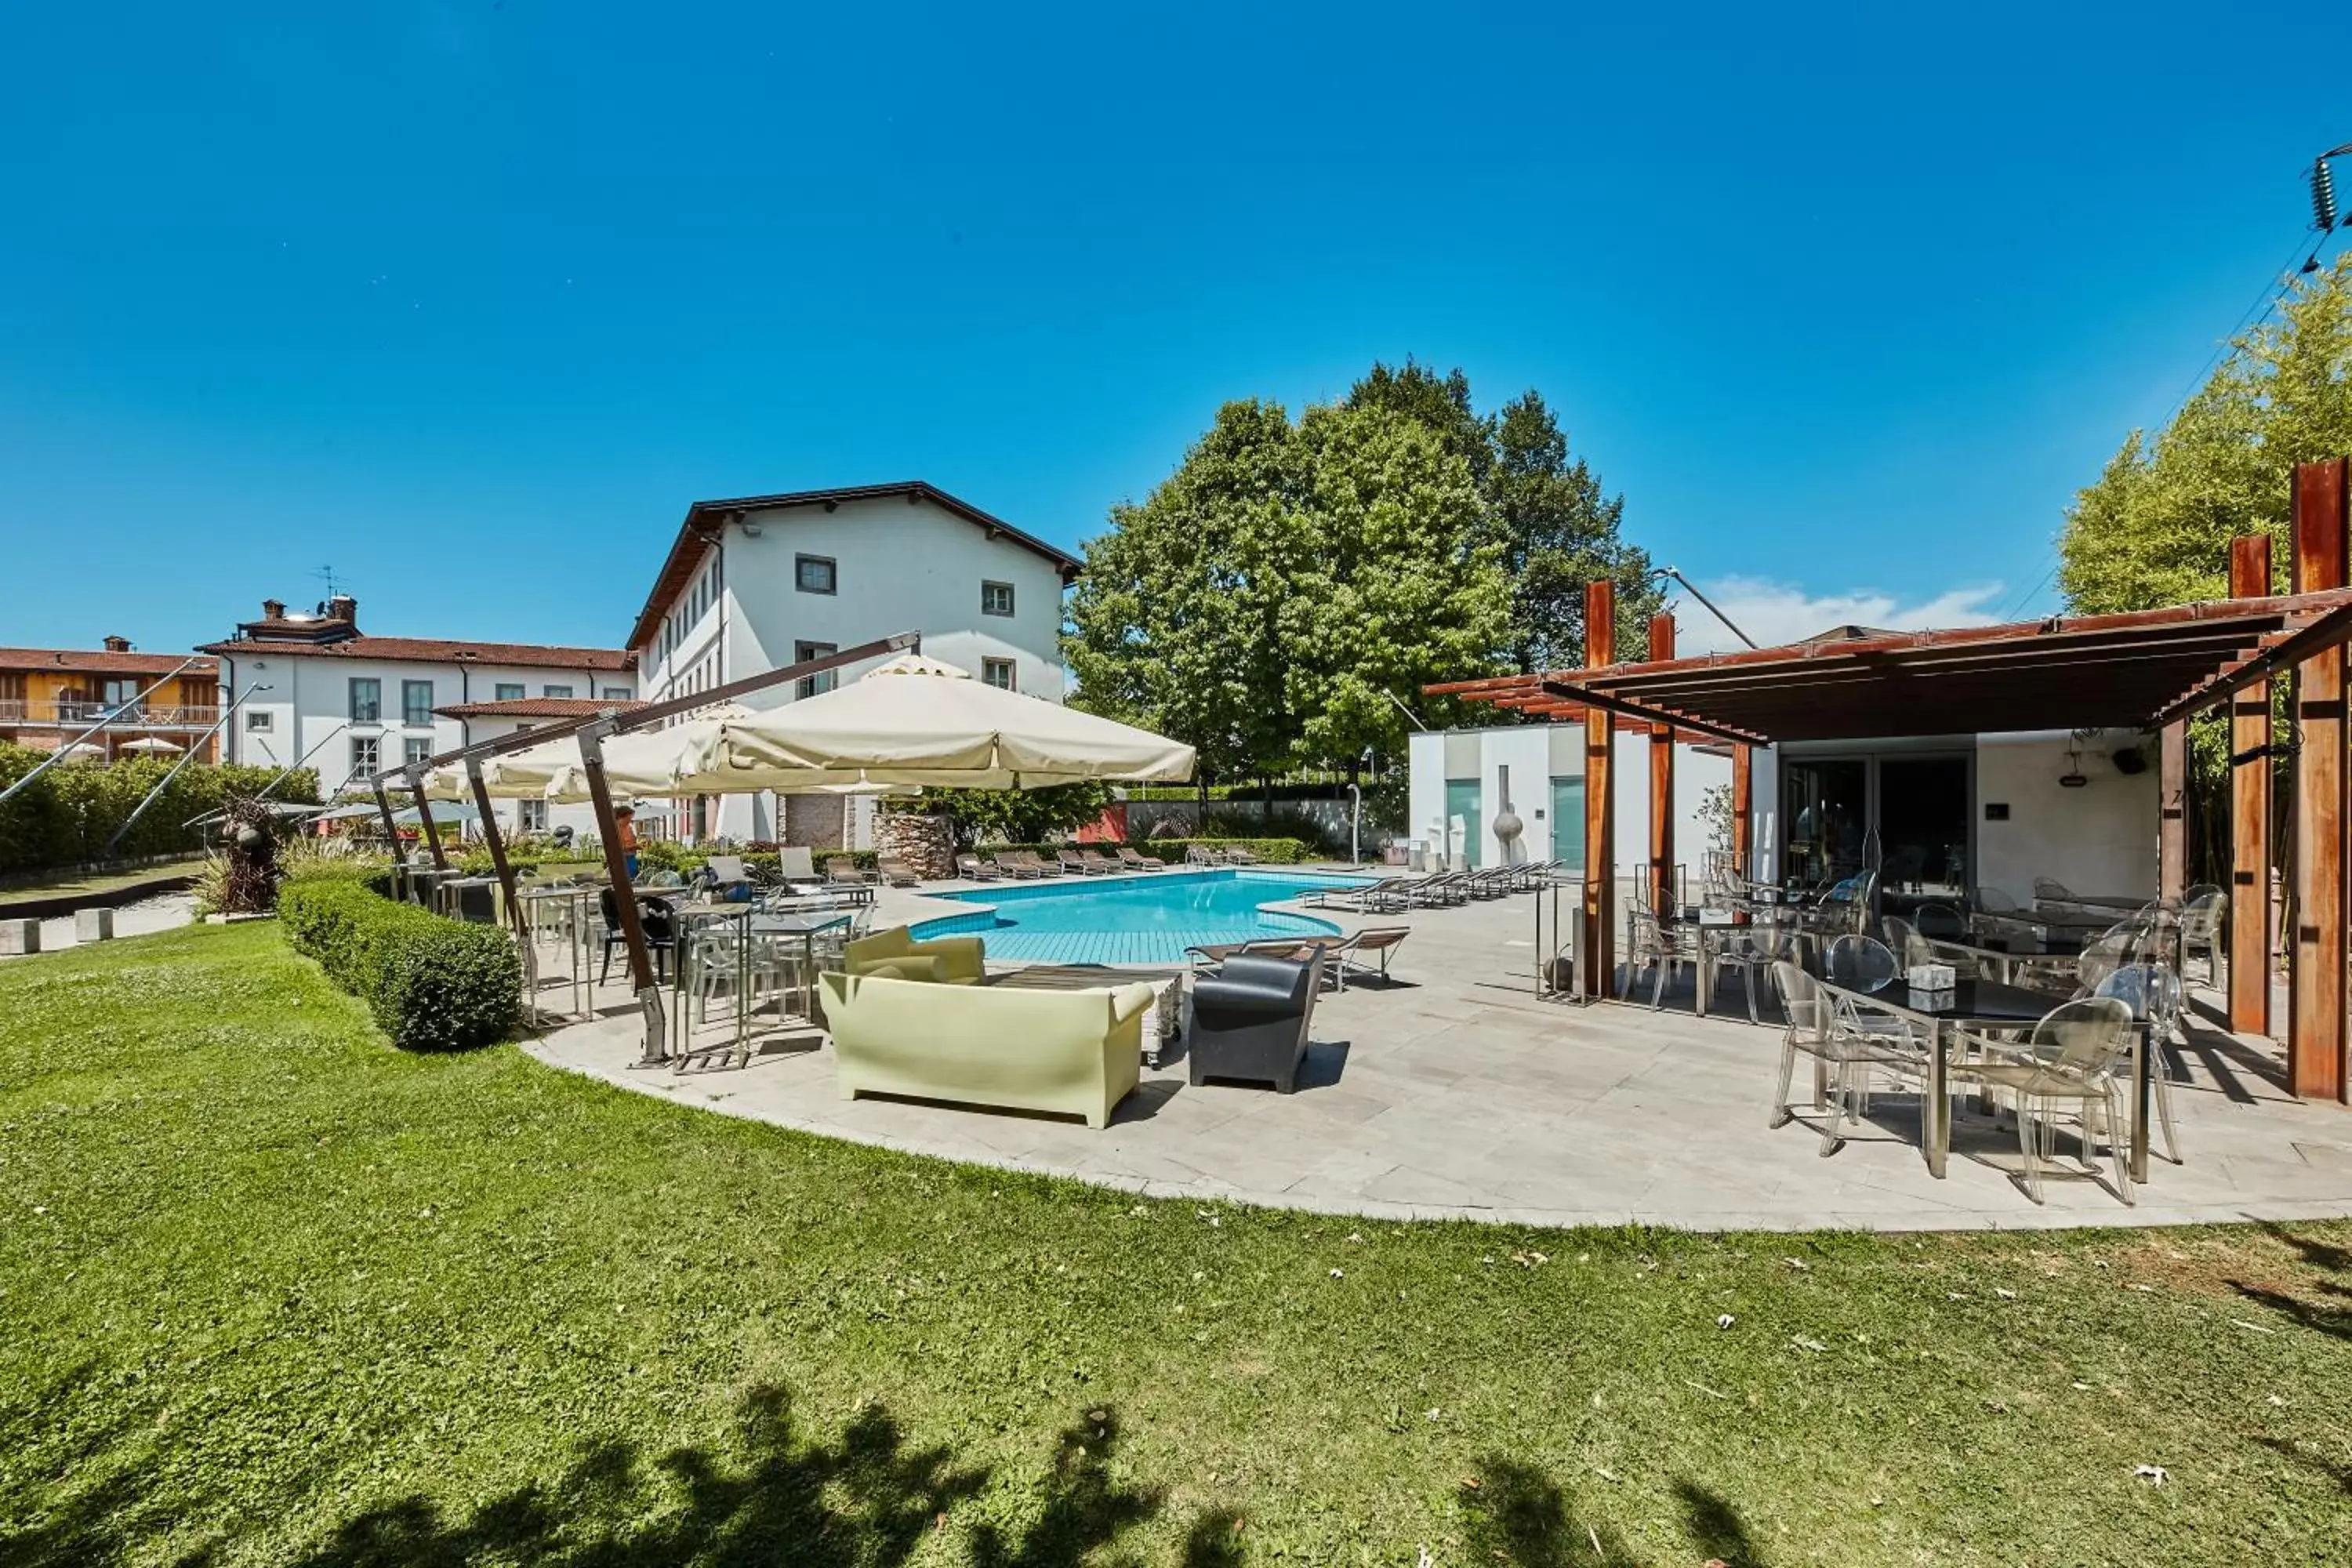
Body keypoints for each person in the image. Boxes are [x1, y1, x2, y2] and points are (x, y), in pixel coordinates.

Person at [615, 805, 641, 880]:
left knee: (633, 878)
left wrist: (641, 845)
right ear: (621, 817)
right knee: (625, 880)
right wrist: (633, 846)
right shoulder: (616, 829)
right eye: (628, 819)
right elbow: (617, 847)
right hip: (622, 860)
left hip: (632, 857)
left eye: (631, 818)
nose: (630, 821)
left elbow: (633, 841)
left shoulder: (629, 827)